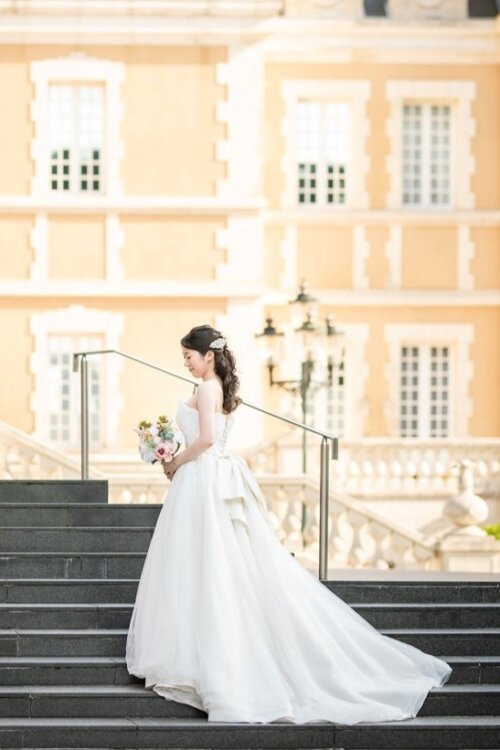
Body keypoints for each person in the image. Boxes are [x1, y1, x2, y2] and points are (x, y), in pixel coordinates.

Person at [125, 323, 452, 725]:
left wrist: (175, 460)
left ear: (208, 356)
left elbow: (207, 439)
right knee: (210, 566)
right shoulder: (214, 387)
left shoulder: (208, 388)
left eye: (189, 357)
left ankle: (204, 660)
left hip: (203, 478)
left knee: (205, 565)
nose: (186, 364)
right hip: (206, 479)